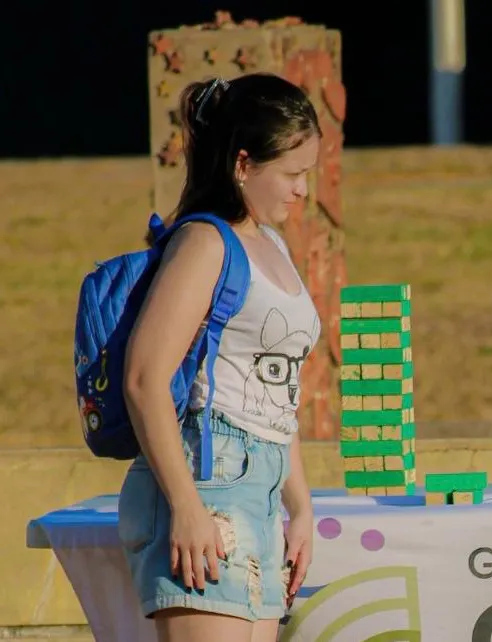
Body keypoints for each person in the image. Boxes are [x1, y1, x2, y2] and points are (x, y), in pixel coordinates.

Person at [118, 73, 322, 641]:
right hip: (206, 479)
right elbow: (143, 379)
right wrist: (185, 506)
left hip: (259, 489)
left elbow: (278, 391)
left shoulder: (273, 246)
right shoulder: (203, 244)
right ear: (242, 164)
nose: (303, 190)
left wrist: (299, 506)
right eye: (292, 174)